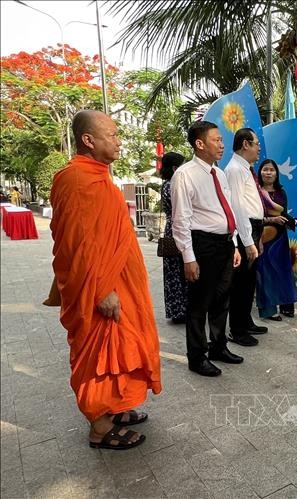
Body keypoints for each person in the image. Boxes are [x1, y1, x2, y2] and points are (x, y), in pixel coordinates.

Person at [49, 109, 161, 449]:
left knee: (126, 346)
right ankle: (100, 427)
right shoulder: (76, 179)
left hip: (122, 281)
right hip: (102, 288)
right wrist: (101, 289)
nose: (118, 140)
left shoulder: (99, 176)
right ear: (88, 140)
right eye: (111, 135)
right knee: (103, 353)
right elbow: (77, 244)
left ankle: (115, 407)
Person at [171, 121, 244, 377]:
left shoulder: (219, 173)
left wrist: (233, 243)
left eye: (222, 140)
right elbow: (180, 219)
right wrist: (188, 257)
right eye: (216, 140)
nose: (222, 145)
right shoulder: (185, 175)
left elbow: (226, 210)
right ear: (199, 144)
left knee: (222, 299)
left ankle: (218, 346)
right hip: (202, 243)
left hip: (224, 244)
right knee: (199, 303)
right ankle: (197, 356)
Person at [224, 128, 267, 347]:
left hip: (253, 227)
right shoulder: (234, 169)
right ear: (245, 144)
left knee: (249, 281)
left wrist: (255, 237)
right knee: (240, 282)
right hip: (244, 228)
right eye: (256, 143)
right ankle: (237, 329)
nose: (259, 148)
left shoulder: (246, 168)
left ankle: (246, 321)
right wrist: (248, 241)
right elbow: (237, 207)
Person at [255, 159, 297, 321]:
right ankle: (268, 309)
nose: (268, 173)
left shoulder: (281, 192)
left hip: (280, 238)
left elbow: (284, 213)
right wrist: (271, 220)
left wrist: (288, 222)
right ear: (260, 172)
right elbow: (254, 217)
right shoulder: (256, 192)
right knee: (265, 272)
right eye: (265, 170)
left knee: (283, 269)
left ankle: (287, 305)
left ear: (276, 173)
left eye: (271, 170)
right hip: (263, 238)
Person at [160, 152, 188, 324]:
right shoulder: (173, 185)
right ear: (175, 168)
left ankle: (176, 309)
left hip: (170, 229)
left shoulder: (165, 185)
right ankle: (182, 309)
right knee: (180, 269)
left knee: (173, 271)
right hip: (178, 229)